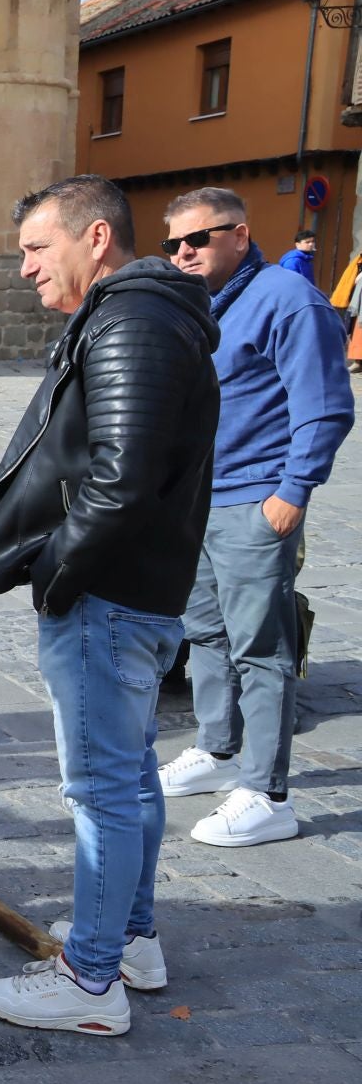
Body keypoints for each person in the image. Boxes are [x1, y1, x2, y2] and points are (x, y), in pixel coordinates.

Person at [0, 175, 219, 1036]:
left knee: (102, 789)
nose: (28, 269)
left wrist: (59, 575)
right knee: (131, 772)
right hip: (135, 592)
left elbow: (121, 475)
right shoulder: (144, 315)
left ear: (97, 237)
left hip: (108, 597)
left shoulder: (134, 320)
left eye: (39, 249)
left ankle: (90, 982)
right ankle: (133, 940)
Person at [155, 188, 353, 846]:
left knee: (262, 652)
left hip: (254, 501)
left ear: (239, 235)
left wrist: (292, 493)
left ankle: (268, 794)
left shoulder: (286, 299)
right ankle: (217, 751)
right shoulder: (196, 306)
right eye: (173, 244)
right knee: (205, 635)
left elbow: (326, 404)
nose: (183, 252)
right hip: (198, 503)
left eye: (197, 239)